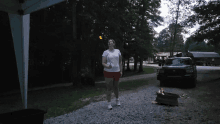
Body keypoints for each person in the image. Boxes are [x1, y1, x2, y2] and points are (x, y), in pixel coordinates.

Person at [102, 39, 122, 110]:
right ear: (108, 44)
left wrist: (121, 71)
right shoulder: (105, 52)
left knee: (116, 87)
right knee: (109, 87)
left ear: (114, 43)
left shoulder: (118, 51)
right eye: (109, 42)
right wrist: (107, 66)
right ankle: (109, 103)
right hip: (108, 72)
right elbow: (103, 62)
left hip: (116, 71)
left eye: (112, 42)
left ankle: (117, 100)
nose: (110, 43)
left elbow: (120, 62)